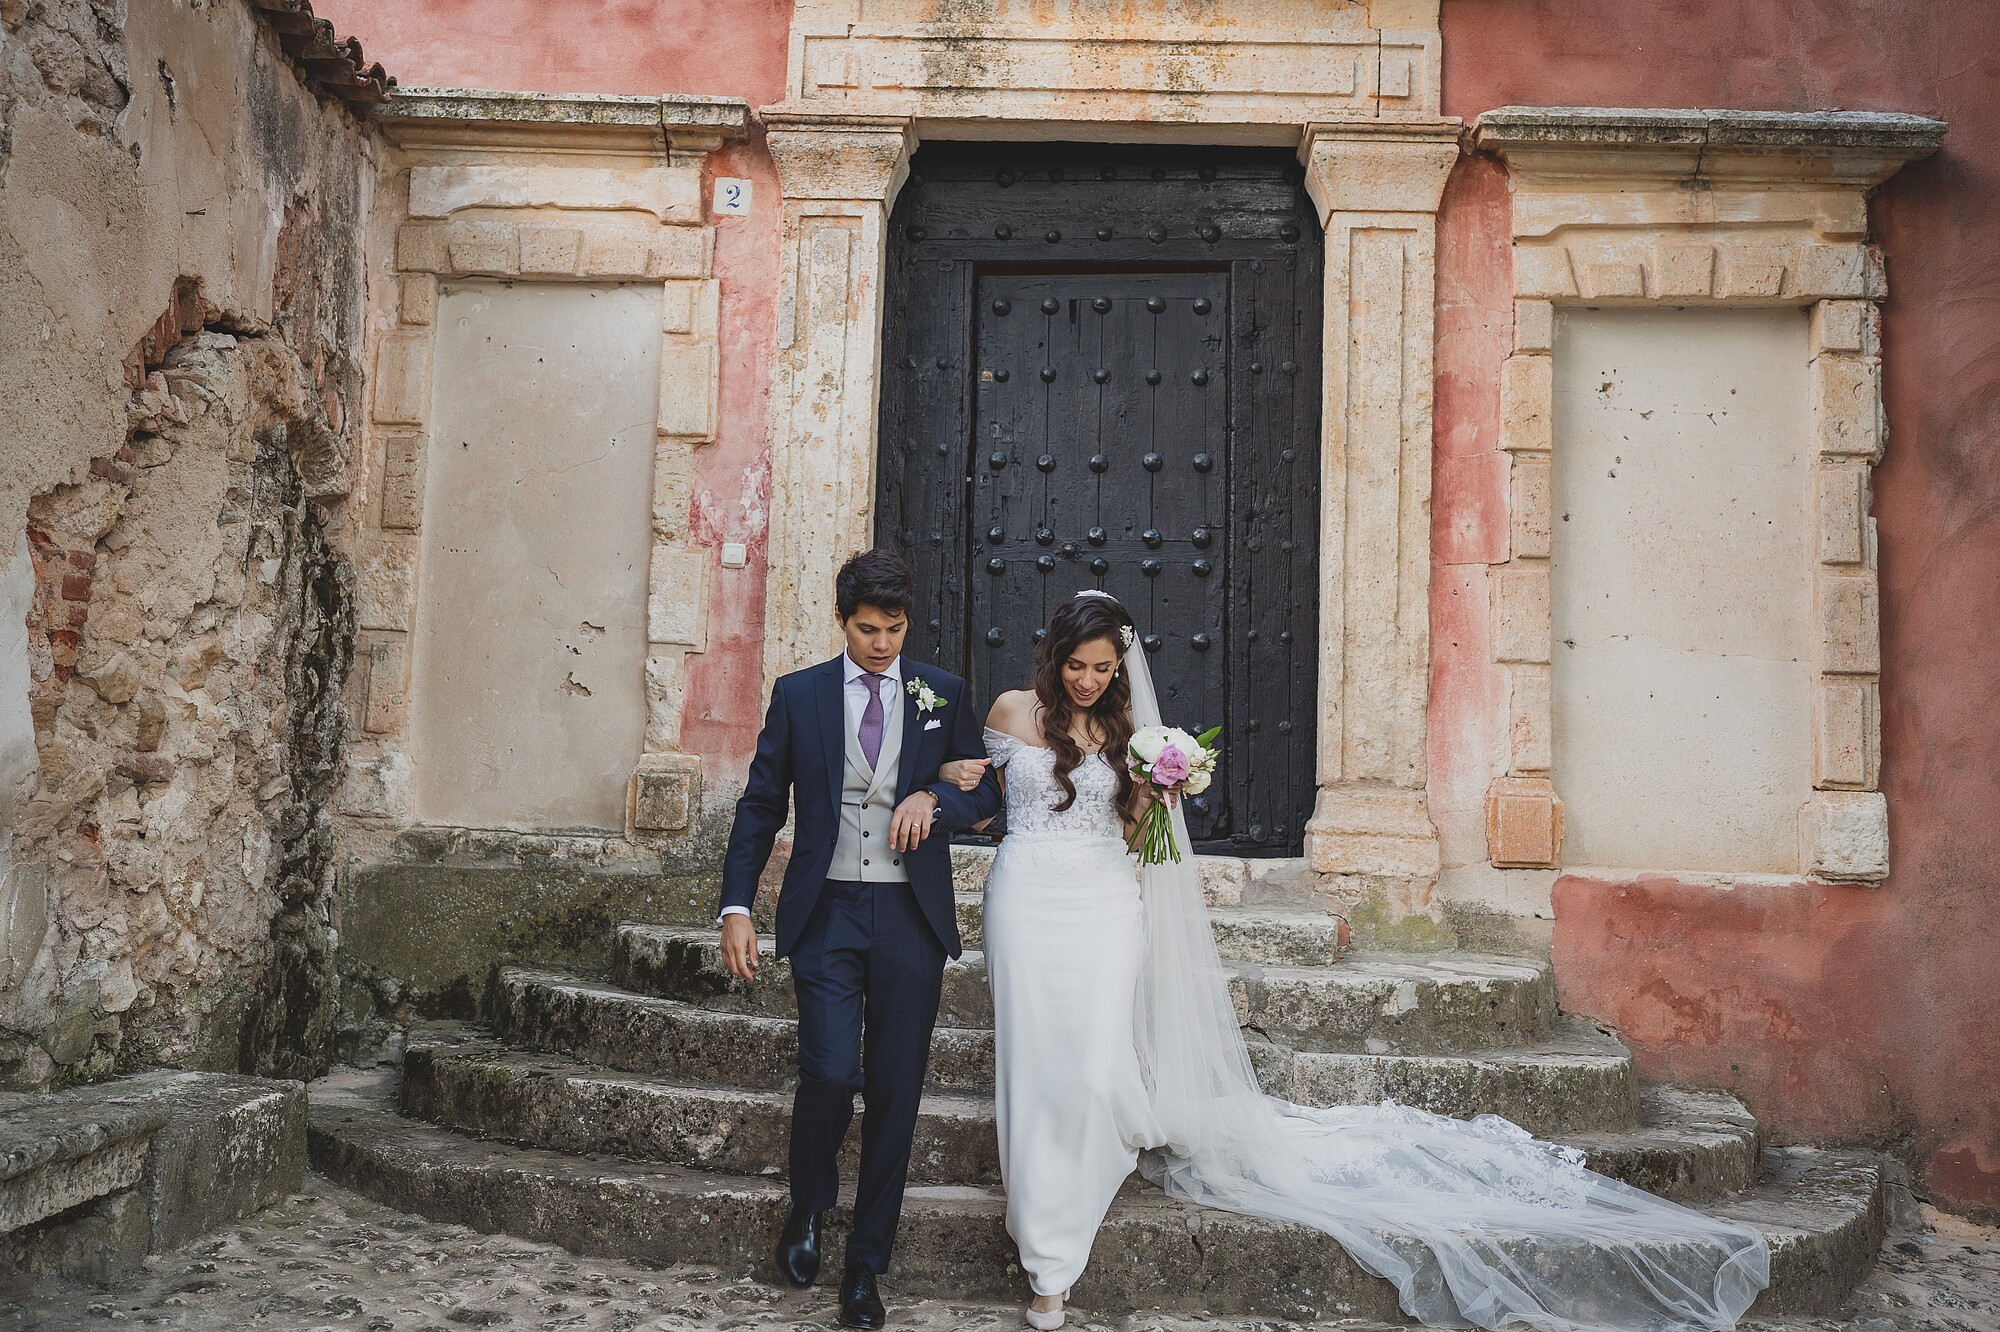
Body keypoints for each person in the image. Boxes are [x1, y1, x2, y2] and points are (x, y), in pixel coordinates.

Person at [937, 590, 1771, 1332]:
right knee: (1034, 1059)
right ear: (1053, 657)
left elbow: (1127, 837)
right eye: (1077, 666)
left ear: (1119, 668)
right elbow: (976, 805)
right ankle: (1046, 1240)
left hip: (1104, 903)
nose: (1089, 681)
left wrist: (1157, 796)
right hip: (1027, 899)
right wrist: (941, 774)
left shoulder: (1126, 732)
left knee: (1091, 1066)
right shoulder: (1010, 711)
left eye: (1103, 668)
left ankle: (1078, 1195)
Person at [717, 548, 1002, 1330]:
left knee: (898, 1092)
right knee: (832, 1071)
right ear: (841, 621)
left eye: (894, 629)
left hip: (911, 915)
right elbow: (761, 805)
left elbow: (986, 794)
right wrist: (736, 906)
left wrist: (932, 798)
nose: (881, 644)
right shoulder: (800, 694)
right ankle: (809, 1204)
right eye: (868, 629)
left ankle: (866, 1266)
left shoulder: (942, 692)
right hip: (828, 910)